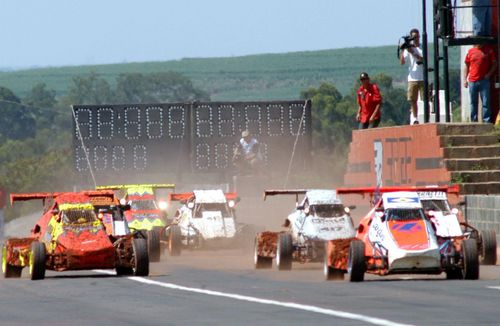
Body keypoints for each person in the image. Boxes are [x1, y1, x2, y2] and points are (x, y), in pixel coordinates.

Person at [464, 44, 496, 123]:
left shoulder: (489, 50)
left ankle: (487, 121)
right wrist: (465, 79)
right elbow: (466, 66)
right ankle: (474, 120)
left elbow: (495, 63)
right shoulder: (470, 51)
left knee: (486, 102)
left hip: (484, 81)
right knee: (473, 102)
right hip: (472, 80)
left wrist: (488, 74)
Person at [400, 28, 424, 125]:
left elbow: (423, 59)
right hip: (412, 78)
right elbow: (402, 62)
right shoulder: (409, 49)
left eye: (416, 37)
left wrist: (413, 52)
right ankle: (415, 118)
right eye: (413, 37)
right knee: (413, 100)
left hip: (422, 77)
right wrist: (403, 49)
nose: (415, 39)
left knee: (425, 99)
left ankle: (426, 116)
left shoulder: (422, 47)